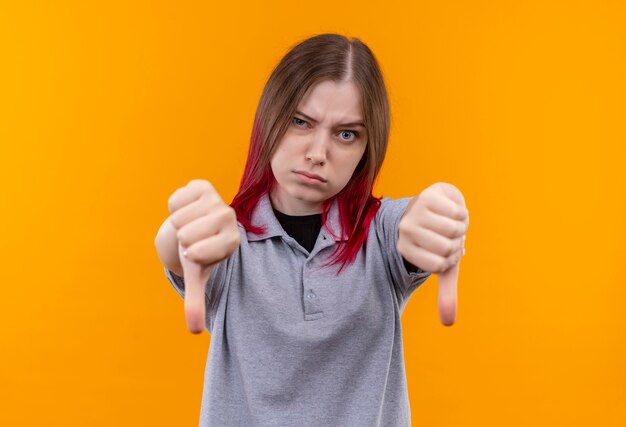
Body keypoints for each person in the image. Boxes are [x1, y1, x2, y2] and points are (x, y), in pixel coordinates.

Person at [154, 33, 469, 427]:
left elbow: (414, 222)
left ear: (366, 151)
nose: (318, 154)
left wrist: (440, 212)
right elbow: (177, 246)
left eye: (346, 134)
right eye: (300, 122)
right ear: (270, 117)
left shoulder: (383, 236)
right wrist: (177, 233)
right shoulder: (227, 242)